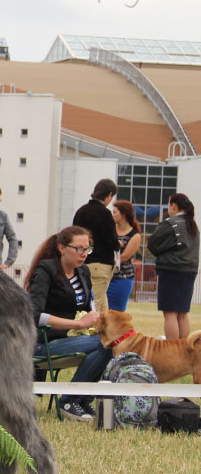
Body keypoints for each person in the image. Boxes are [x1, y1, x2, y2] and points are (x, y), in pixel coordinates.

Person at [25, 225, 112, 422]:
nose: (84, 254)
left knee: (110, 342)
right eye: (79, 249)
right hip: (43, 342)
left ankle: (81, 399)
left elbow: (89, 306)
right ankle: (69, 400)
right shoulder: (45, 270)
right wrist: (78, 324)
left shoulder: (83, 273)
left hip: (73, 339)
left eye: (87, 249)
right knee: (105, 344)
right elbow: (35, 315)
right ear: (62, 248)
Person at [147, 193, 199, 340]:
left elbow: (152, 245)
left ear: (173, 206)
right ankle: (184, 349)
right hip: (189, 271)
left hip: (171, 271)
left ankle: (173, 349)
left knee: (170, 313)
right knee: (182, 313)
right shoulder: (193, 225)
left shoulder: (171, 224)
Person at [73, 178, 119, 313]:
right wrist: (118, 244)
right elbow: (111, 241)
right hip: (101, 264)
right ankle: (90, 333)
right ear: (109, 194)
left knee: (103, 307)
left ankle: (106, 334)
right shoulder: (105, 214)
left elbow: (73, 234)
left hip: (82, 262)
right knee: (95, 305)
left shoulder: (81, 211)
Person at [106, 200, 142, 311]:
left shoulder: (134, 235)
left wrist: (104, 258)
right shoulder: (110, 230)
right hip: (106, 275)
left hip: (122, 278)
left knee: (117, 311)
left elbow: (124, 257)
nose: (112, 215)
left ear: (123, 214)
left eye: (115, 212)